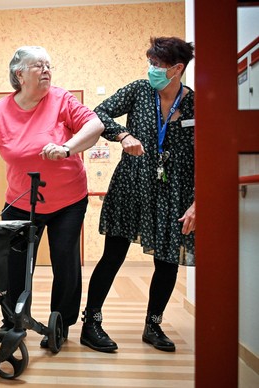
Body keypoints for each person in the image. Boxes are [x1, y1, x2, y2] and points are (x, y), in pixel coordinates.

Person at [0, 46, 104, 347]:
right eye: (38, 66)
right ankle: (13, 320)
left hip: (68, 200)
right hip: (20, 200)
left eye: (48, 65)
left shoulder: (61, 99)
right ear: (19, 74)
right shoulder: (1, 110)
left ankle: (61, 323)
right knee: (14, 263)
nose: (47, 70)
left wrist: (68, 148)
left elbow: (95, 126)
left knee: (64, 258)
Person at [80, 36, 195, 353]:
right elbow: (98, 114)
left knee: (168, 261)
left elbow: (208, 155)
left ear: (177, 68)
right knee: (113, 255)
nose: (151, 70)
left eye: (157, 65)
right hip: (132, 184)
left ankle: (153, 324)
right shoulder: (139, 90)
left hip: (174, 191)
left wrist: (199, 203)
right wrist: (122, 134)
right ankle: (91, 323)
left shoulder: (194, 103)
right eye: (150, 63)